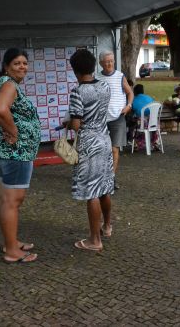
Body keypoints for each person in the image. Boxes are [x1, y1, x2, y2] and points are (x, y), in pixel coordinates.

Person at [0, 48, 41, 264]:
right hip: (16, 153)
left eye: (25, 63)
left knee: (7, 199)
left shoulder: (5, 83)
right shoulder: (9, 85)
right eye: (17, 63)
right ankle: (12, 250)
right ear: (6, 67)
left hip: (10, 153)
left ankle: (11, 241)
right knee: (12, 201)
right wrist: (13, 131)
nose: (22, 67)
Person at [67, 49, 114, 251]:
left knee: (92, 191)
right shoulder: (105, 86)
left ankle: (95, 240)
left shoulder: (77, 92)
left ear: (75, 70)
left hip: (89, 144)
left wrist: (70, 123)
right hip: (105, 139)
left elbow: (77, 125)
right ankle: (107, 226)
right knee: (105, 187)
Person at [95, 51, 133, 189]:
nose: (110, 64)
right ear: (101, 63)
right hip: (100, 120)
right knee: (101, 150)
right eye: (107, 62)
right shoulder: (96, 78)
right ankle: (100, 177)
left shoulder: (120, 76)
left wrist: (129, 106)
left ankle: (110, 179)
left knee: (114, 149)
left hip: (118, 118)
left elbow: (130, 92)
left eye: (111, 61)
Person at [130, 84, 160, 151]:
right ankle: (155, 142)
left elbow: (133, 110)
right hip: (154, 122)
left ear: (135, 91)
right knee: (145, 120)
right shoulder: (149, 98)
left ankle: (137, 144)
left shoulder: (134, 100)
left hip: (142, 124)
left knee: (133, 123)